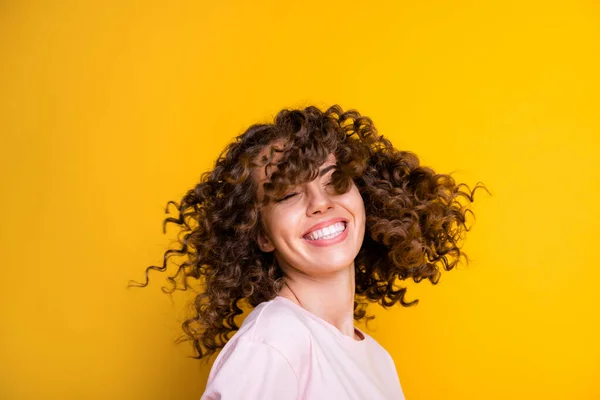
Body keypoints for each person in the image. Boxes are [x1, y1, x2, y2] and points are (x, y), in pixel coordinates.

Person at [130, 104, 486, 399]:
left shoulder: (377, 359)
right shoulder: (274, 344)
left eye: (334, 181)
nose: (320, 203)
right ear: (262, 234)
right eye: (287, 194)